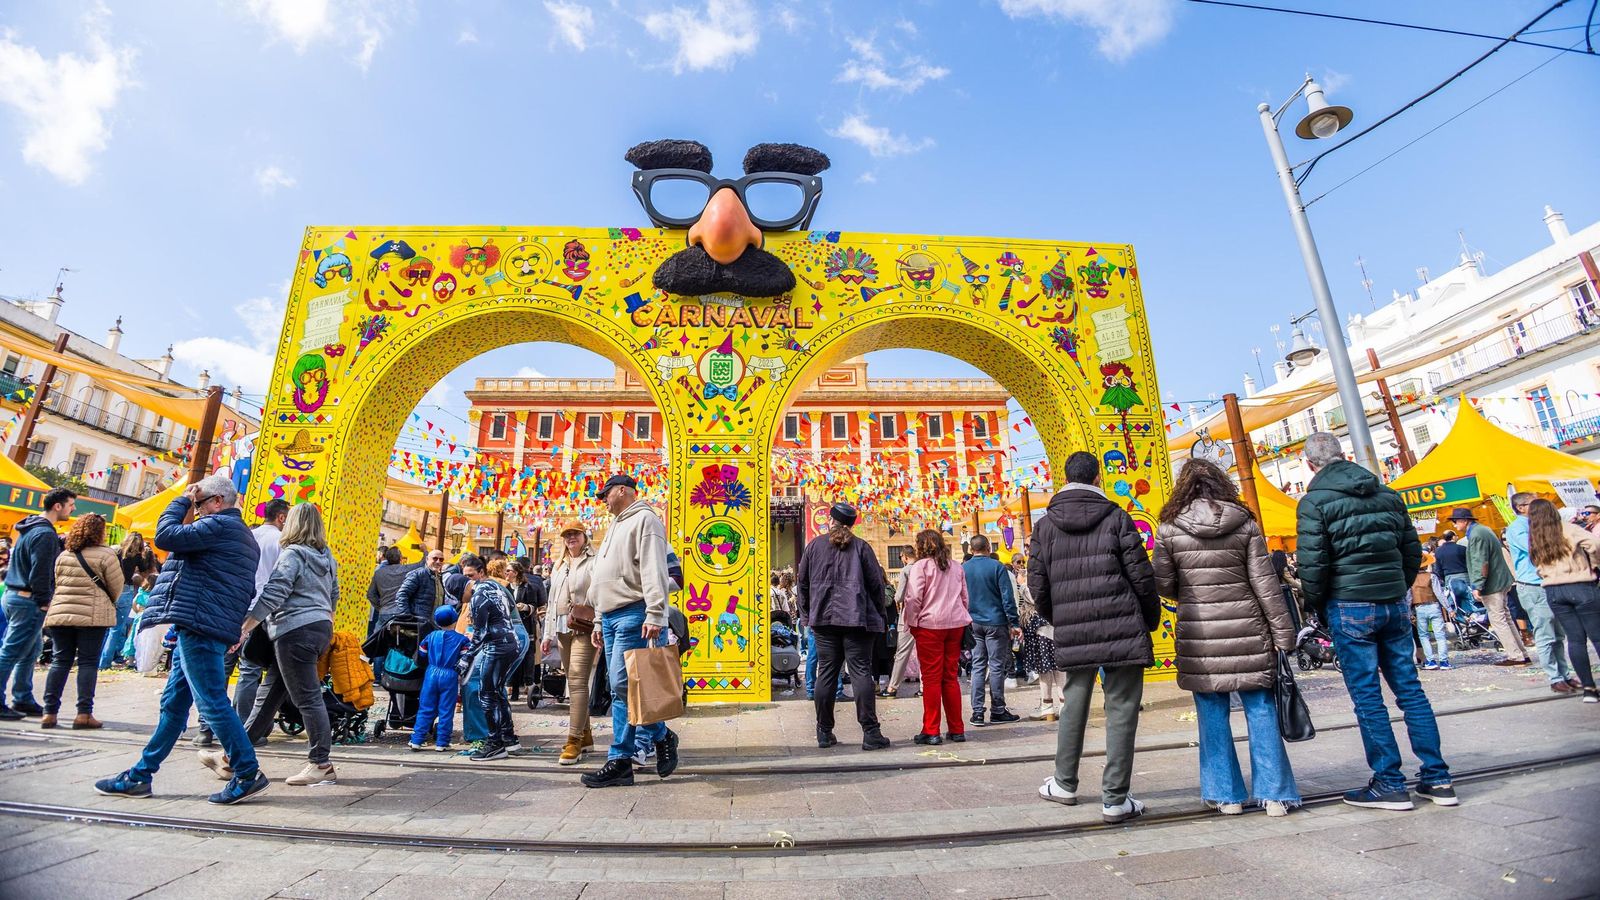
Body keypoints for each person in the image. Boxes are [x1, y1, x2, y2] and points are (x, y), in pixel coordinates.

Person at [1296, 433, 1454, 811]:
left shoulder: (1314, 502)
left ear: (1309, 464)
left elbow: (1313, 566)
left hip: (1349, 604)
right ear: (1344, 456)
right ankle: (1438, 777)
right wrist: (1396, 586)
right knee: (1410, 690)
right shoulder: (1387, 494)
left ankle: (1389, 782)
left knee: (1368, 698)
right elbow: (1411, 549)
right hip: (1393, 603)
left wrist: (1317, 606)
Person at [94, 475, 268, 804]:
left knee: (212, 701)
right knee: (174, 705)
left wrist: (180, 501)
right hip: (204, 623)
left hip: (201, 624)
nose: (196, 509)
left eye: (199, 503)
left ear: (218, 501)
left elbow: (165, 536)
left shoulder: (220, 526)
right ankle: (141, 774)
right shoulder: (239, 534)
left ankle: (247, 771)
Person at [1152, 459, 1299, 818]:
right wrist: (1284, 632)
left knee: (1212, 713)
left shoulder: (1170, 529)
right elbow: (1265, 583)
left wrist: (1188, 589)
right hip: (1249, 628)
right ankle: (1275, 794)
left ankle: (1226, 794)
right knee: (1261, 709)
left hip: (1200, 634)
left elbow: (1162, 583)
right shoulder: (1245, 523)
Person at [1028, 451, 1158, 824]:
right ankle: (1115, 798)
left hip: (1073, 626)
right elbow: (1141, 575)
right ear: (1098, 478)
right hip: (1122, 626)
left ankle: (1065, 783)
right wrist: (1147, 619)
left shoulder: (1044, 526)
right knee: (1122, 709)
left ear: (1063, 478)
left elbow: (1038, 586)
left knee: (1074, 703)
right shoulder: (1118, 516)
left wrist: (1061, 617)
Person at [223, 502, 339, 786]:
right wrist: (325, 619)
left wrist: (246, 627)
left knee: (308, 698)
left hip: (294, 630)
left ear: (292, 524)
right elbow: (334, 594)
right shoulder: (328, 557)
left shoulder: (293, 554)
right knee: (269, 695)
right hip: (319, 627)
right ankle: (232, 758)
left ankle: (321, 763)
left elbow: (275, 592)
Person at [582, 474, 680, 787]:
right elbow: (601, 576)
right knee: (621, 688)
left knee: (625, 687)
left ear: (622, 490)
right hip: (611, 617)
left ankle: (621, 757)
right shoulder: (615, 525)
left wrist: (655, 612)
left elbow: (654, 569)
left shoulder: (645, 520)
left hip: (634, 612)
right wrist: (598, 618)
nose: (603, 499)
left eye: (606, 494)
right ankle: (658, 738)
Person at [797, 502, 892, 753]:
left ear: (831, 521)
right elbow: (876, 586)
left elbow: (802, 583)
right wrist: (880, 616)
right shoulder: (861, 547)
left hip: (823, 620)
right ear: (851, 525)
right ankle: (871, 733)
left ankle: (824, 732)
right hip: (857, 620)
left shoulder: (814, 547)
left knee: (826, 672)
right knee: (861, 672)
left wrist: (807, 614)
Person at [197, 498, 289, 748]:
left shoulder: (247, 535)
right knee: (250, 668)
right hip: (260, 611)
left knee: (220, 667)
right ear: (281, 518)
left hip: (232, 607)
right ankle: (245, 728)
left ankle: (205, 727)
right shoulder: (281, 542)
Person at [41, 513, 125, 730]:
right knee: (87, 662)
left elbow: (58, 582)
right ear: (100, 532)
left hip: (62, 613)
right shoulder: (106, 555)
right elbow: (116, 587)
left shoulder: (65, 555)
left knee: (60, 661)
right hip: (92, 616)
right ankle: (84, 713)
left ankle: (49, 712)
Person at [0, 487, 76, 721]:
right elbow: (40, 571)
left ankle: (22, 696)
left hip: (15, 594)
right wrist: (44, 600)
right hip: (28, 598)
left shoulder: (30, 527)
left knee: (30, 650)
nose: (72, 509)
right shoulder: (44, 534)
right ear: (58, 506)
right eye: (71, 505)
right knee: (11, 651)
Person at [898, 528, 970, 745]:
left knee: (930, 679)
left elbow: (913, 599)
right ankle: (957, 729)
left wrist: (912, 622)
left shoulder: (921, 567)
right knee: (950, 676)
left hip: (930, 625)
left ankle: (931, 730)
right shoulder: (956, 566)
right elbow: (965, 597)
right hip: (955, 624)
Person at [1526, 498, 1600, 703]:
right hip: (1580, 584)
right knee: (1597, 637)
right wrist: (1594, 563)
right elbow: (1595, 543)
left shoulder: (1536, 536)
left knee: (1575, 640)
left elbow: (1535, 563)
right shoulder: (1568, 528)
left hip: (1554, 591)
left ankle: (1589, 689)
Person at [1505, 493, 1578, 692]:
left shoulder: (1535, 525)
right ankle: (1555, 678)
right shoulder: (1517, 528)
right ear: (1521, 507)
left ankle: (1565, 674)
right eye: (1532, 503)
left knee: (1558, 634)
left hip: (1549, 582)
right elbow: (1533, 548)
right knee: (1545, 634)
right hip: (1533, 585)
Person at [540, 520, 598, 765]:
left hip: (584, 627)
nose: (571, 538)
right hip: (563, 627)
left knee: (576, 680)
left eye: (575, 534)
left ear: (584, 537)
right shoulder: (559, 564)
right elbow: (553, 601)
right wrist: (547, 634)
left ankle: (573, 739)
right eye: (567, 535)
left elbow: (599, 594)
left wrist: (600, 625)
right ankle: (586, 736)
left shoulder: (595, 560)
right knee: (571, 679)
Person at [1447, 507, 1529, 666]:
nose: (1455, 525)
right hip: (1500, 580)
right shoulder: (1483, 530)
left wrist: (1478, 585)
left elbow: (1480, 561)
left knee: (1498, 619)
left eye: (1456, 521)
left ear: (1464, 521)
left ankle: (1516, 655)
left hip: (1492, 583)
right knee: (1505, 618)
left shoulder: (1477, 534)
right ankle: (1521, 653)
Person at [458, 553, 520, 761]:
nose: (462, 598)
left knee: (486, 694)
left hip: (498, 646)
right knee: (497, 691)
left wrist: (465, 659)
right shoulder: (493, 587)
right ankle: (509, 738)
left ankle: (495, 744)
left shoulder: (478, 595)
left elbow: (481, 632)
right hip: (510, 642)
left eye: (470, 575)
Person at [963, 534, 1021, 726]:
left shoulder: (964, 568)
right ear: (988, 547)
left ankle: (977, 712)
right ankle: (997, 710)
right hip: (996, 621)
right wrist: (1014, 622)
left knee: (978, 666)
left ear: (971, 550)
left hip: (973, 622)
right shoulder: (997, 567)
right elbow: (1007, 598)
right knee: (996, 666)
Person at [410, 605, 469, 750]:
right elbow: (465, 659)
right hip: (450, 675)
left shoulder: (430, 636)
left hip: (431, 673)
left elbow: (422, 653)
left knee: (425, 708)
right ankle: (442, 743)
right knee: (446, 710)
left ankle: (417, 740)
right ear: (455, 621)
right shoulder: (462, 640)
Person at [101, 532, 155, 669]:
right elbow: (145, 572)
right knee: (117, 629)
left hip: (110, 588)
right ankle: (105, 662)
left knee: (106, 627)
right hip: (126, 589)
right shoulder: (137, 557)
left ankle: (99, 660)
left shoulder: (116, 552)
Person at [367, 546, 421, 636]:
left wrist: (380, 607)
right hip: (401, 613)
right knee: (400, 641)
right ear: (400, 558)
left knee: (376, 640)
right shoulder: (406, 569)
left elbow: (370, 594)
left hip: (384, 612)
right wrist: (424, 550)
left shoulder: (379, 572)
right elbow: (423, 563)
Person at [1412, 551, 1452, 671]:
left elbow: (1408, 597)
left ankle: (1430, 661)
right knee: (1440, 635)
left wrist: (1409, 613)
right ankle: (1444, 662)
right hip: (1434, 606)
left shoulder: (1410, 579)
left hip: (1419, 608)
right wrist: (1449, 608)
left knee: (1423, 636)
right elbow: (1439, 594)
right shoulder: (1432, 576)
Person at [394, 549, 449, 624]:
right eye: (435, 558)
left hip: (432, 624)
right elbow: (401, 595)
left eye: (441, 559)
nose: (438, 562)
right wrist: (407, 618)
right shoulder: (418, 574)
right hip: (418, 623)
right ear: (427, 559)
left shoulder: (438, 577)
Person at [1431, 531, 1475, 619]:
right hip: (1465, 577)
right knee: (1470, 600)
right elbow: (1470, 564)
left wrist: (1445, 578)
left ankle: (1461, 622)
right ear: (1454, 537)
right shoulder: (1462, 548)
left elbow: (1438, 569)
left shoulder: (1438, 551)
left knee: (1454, 602)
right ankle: (1474, 619)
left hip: (1449, 578)